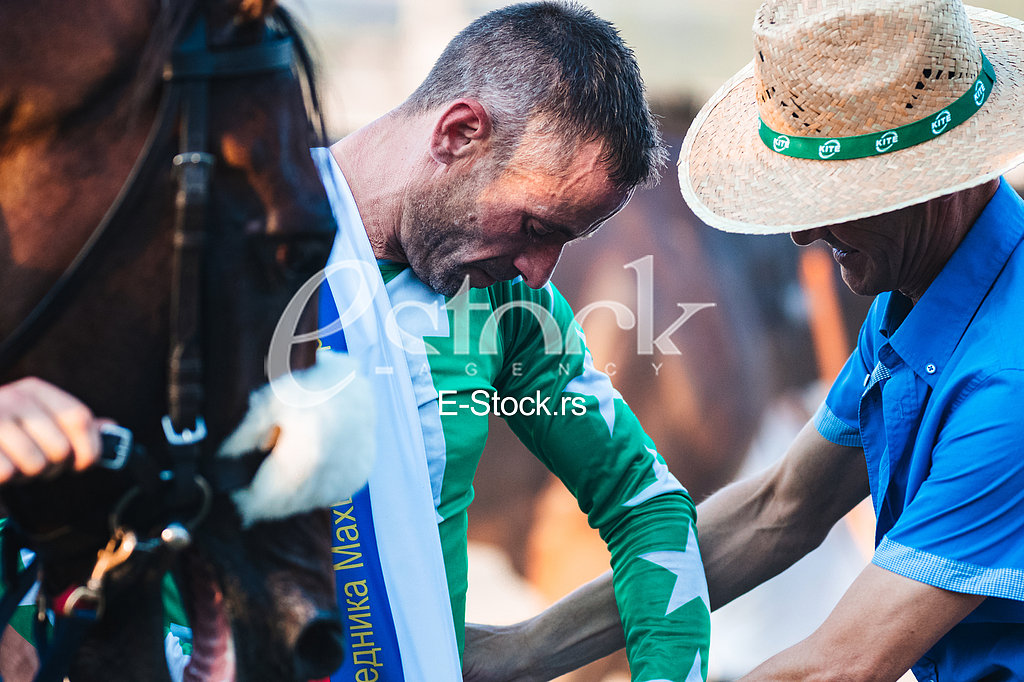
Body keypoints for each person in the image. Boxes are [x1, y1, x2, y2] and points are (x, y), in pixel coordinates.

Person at [0, 3, 711, 682]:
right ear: (458, 134)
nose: (539, 269)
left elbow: (645, 504)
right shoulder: (203, 257)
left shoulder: (507, 304)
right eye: (535, 226)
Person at [460, 0, 1024, 681]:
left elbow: (842, 666)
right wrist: (521, 651)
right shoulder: (923, 286)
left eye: (833, 200)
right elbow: (778, 508)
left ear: (932, 181)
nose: (803, 236)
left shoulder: (1007, 377)